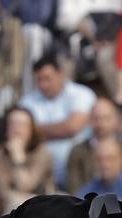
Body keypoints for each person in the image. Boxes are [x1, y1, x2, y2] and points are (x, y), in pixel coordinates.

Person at [19, 55, 97, 187]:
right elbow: (23, 134)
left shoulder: (82, 94)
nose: (43, 85)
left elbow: (73, 127)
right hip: (41, 173)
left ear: (61, 74)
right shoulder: (27, 101)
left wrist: (37, 129)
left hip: (79, 169)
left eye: (48, 78)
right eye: (39, 79)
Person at [66, 98, 122, 196]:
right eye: (96, 118)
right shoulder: (78, 152)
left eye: (106, 118)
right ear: (90, 120)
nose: (101, 124)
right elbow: (74, 190)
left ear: (116, 120)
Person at [0, 107, 56, 210]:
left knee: (17, 203)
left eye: (22, 125)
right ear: (6, 129)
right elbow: (3, 193)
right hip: (10, 205)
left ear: (31, 130)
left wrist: (18, 156)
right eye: (13, 124)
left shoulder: (42, 152)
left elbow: (26, 186)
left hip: (42, 203)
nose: (17, 129)